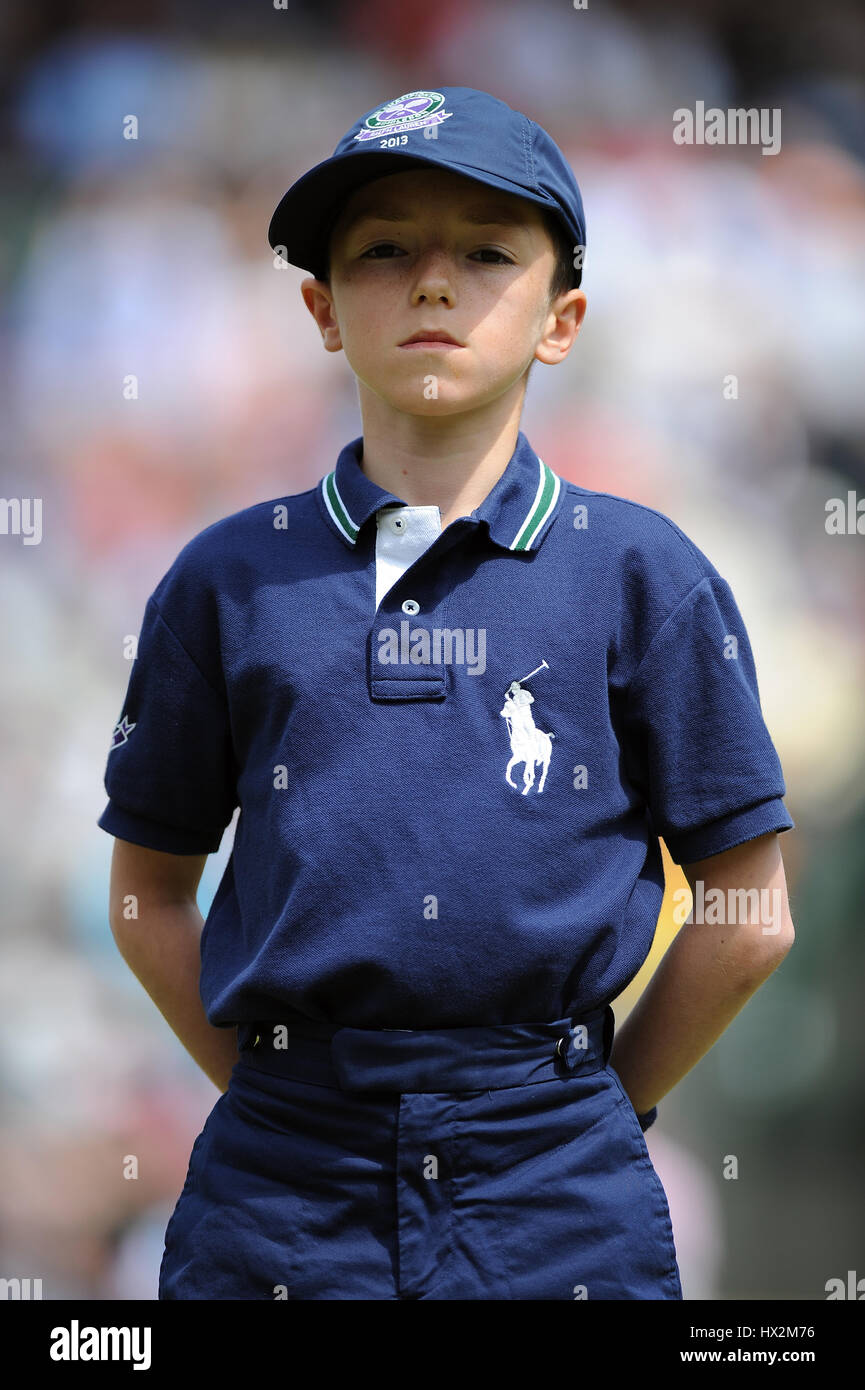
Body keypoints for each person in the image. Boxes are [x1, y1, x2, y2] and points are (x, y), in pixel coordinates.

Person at [98, 87, 796, 1300]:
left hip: (555, 1191)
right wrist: (279, 1097)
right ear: (320, 307)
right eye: (382, 251)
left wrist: (585, 1109)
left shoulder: (639, 573)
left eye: (485, 252)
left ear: (561, 316)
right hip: (280, 1203)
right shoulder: (228, 578)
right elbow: (145, 892)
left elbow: (750, 908)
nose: (434, 284)